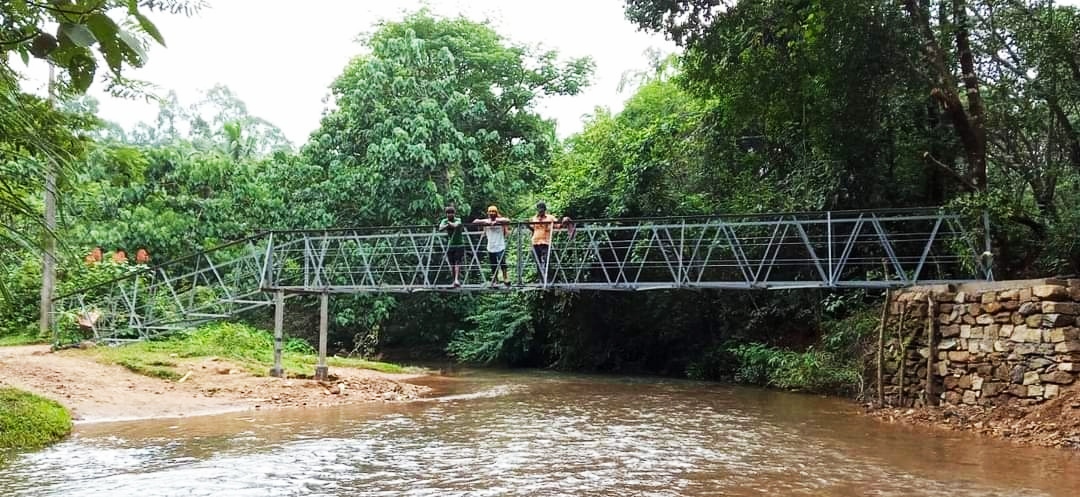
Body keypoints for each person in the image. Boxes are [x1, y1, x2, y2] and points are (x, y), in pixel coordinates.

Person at [528, 201, 571, 284]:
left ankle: (549, 279)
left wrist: (564, 221)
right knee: (538, 262)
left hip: (545, 242)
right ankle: (541, 280)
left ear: (545, 210)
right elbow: (533, 229)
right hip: (535, 242)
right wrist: (527, 225)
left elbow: (558, 225)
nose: (540, 211)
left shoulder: (550, 218)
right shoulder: (534, 218)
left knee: (547, 260)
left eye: (542, 210)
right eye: (539, 210)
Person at [474, 205, 511, 287]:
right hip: (491, 247)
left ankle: (505, 278)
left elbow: (507, 220)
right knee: (493, 264)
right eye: (490, 211)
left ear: (496, 212)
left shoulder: (500, 221)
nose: (492, 213)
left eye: (493, 211)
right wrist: (487, 222)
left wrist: (497, 221)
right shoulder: (486, 221)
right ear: (488, 213)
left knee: (503, 263)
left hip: (500, 246)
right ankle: (495, 280)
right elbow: (475, 221)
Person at [438, 206, 466, 288]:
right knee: (452, 264)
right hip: (451, 245)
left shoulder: (458, 219)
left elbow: (456, 225)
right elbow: (440, 228)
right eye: (448, 213)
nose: (449, 215)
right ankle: (454, 281)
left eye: (451, 213)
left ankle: (457, 280)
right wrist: (447, 225)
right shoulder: (444, 220)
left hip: (459, 244)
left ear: (454, 213)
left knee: (457, 262)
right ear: (446, 214)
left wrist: (449, 224)